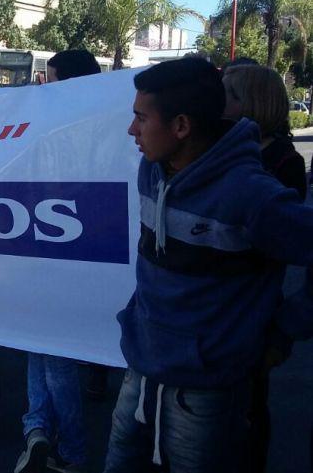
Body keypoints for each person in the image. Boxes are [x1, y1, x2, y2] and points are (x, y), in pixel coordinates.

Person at [104, 57, 313, 472]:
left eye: (141, 119)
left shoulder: (251, 195)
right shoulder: (151, 170)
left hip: (206, 393)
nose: (132, 130)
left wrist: (286, 328)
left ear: (181, 126)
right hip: (141, 374)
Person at [13, 50, 100, 473]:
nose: (44, 87)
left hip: (61, 254)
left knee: (55, 355)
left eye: (52, 79)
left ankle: (70, 447)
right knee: (39, 346)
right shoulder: (86, 127)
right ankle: (37, 429)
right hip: (52, 249)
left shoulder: (78, 133)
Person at [222, 64, 307, 473]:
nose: (222, 103)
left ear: (250, 103)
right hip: (221, 313)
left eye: (230, 95)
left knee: (248, 413)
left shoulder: (282, 161)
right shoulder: (225, 148)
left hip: (253, 309)